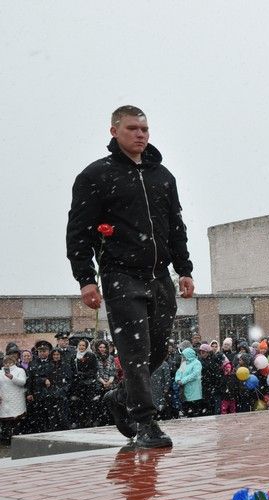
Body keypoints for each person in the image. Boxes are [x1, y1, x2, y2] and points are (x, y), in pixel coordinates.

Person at [66, 105, 194, 448]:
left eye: (145, 128)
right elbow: (79, 232)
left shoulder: (163, 176)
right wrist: (86, 278)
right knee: (134, 349)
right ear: (114, 131)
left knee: (158, 348)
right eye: (133, 128)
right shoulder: (96, 176)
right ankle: (145, 422)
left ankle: (120, 396)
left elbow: (175, 226)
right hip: (120, 274)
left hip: (159, 274)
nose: (141, 134)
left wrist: (184, 269)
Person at [0, 350, 28, 445]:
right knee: (5, 420)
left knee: (16, 420)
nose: (8, 364)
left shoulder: (20, 371)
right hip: (4, 399)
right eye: (6, 362)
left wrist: (12, 377)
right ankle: (6, 439)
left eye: (10, 362)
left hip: (16, 399)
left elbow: (22, 382)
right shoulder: (0, 372)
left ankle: (17, 439)